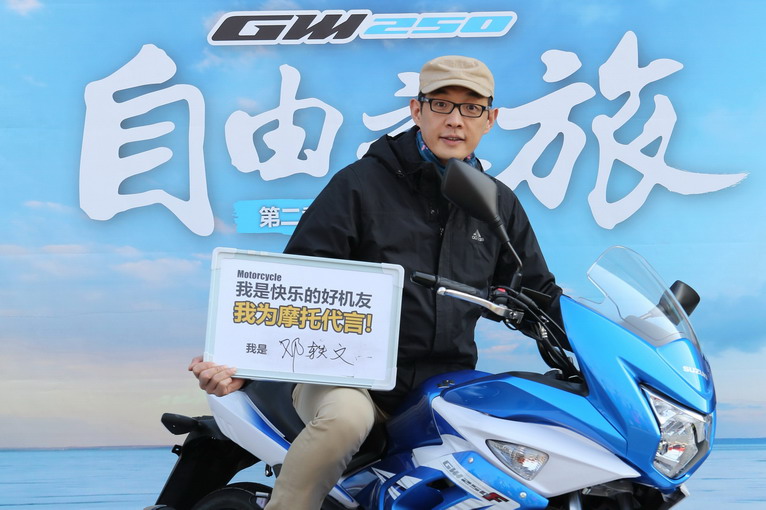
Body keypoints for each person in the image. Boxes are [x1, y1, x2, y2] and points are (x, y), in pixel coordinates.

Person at [189, 55, 563, 509]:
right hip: (348, 377)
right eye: (441, 104)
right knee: (345, 420)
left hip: (444, 384)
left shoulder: (497, 203)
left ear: (490, 119)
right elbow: (296, 284)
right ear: (416, 110)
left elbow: (537, 292)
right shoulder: (362, 185)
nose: (455, 120)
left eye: (471, 108)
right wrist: (241, 365)